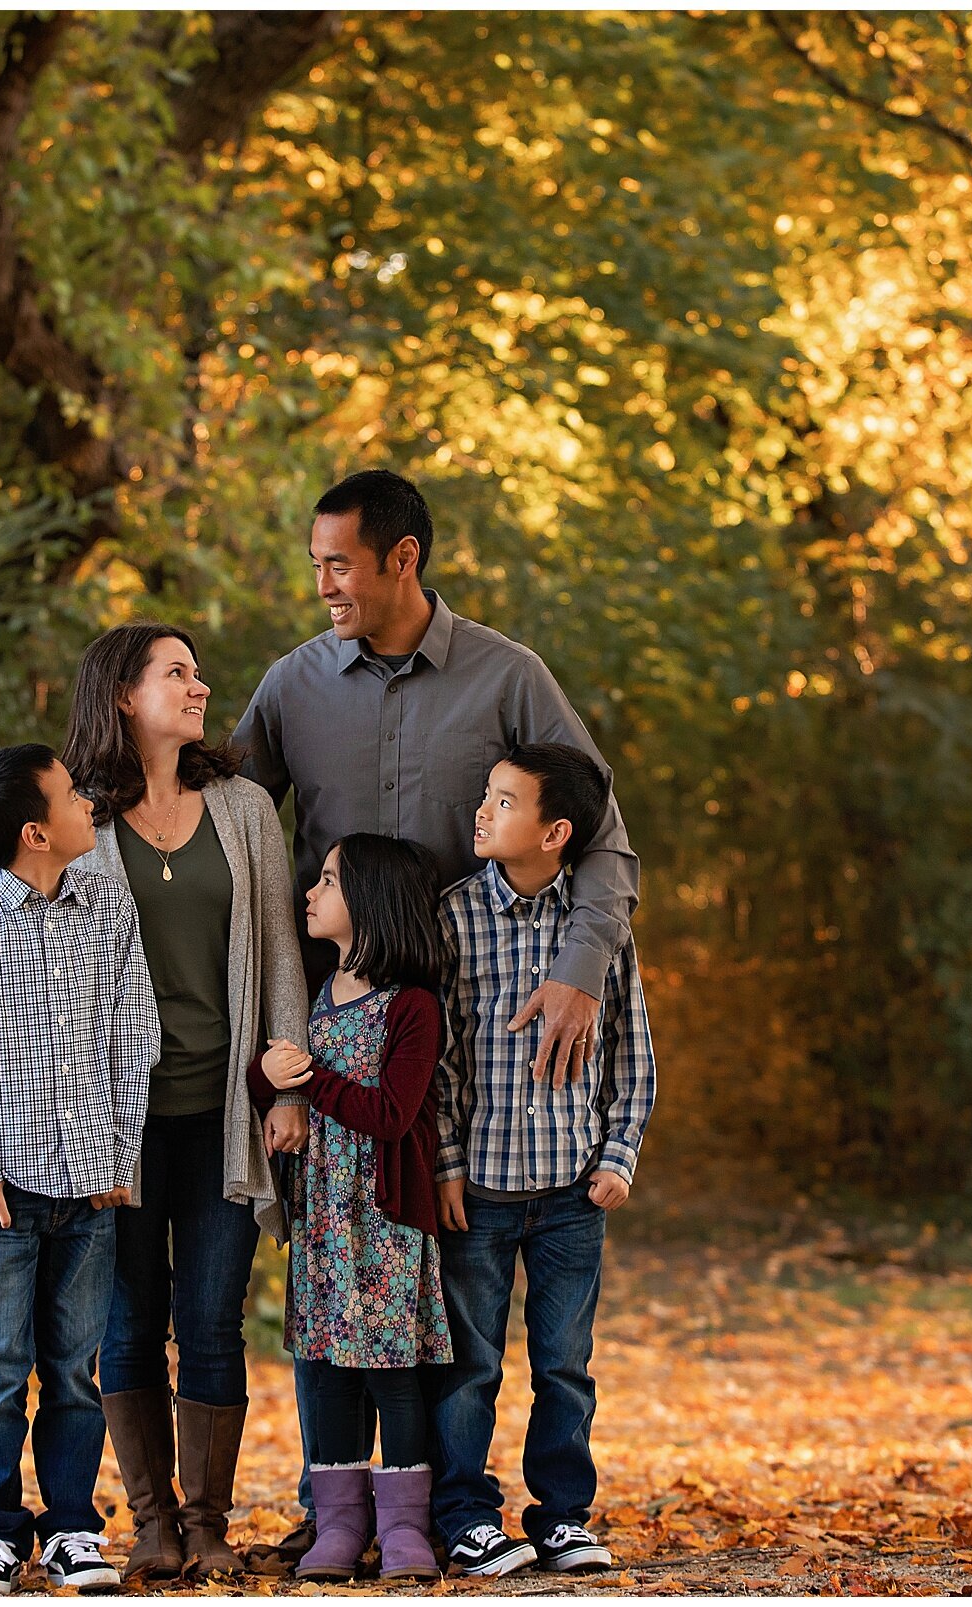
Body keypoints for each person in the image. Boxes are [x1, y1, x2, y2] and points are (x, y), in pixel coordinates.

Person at [226, 467, 642, 1573]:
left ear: (400, 558)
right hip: (334, 1037)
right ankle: (343, 1509)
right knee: (331, 1274)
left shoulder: (511, 678)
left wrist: (584, 966)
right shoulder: (290, 685)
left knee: (439, 1299)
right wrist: (30, 870)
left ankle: (446, 1508)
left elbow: (599, 830)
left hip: (463, 1044)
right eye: (314, 559)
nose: (322, 581)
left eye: (339, 561)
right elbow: (210, 812)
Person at [0, 625, 309, 1582]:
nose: (198, 683)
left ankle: (209, 1519)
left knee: (214, 1318)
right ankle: (147, 1518)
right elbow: (27, 894)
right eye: (174, 671)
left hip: (223, 1104)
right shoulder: (79, 820)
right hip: (111, 1128)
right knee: (127, 1325)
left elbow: (279, 953)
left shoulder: (246, 808)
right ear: (123, 695)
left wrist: (285, 1080)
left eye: (195, 670)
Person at [0, 744, 158, 1596]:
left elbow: (135, 1039)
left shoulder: (108, 911)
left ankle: (73, 1529)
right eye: (69, 794)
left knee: (72, 1373)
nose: (87, 800)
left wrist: (119, 1152)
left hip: (90, 1188)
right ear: (34, 832)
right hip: (0, 1199)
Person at [427, 744, 658, 1578]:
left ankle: (561, 1515)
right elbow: (441, 1061)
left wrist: (619, 1155)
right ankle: (464, 1512)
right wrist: (447, 1163)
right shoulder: (452, 919)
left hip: (570, 1191)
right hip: (479, 1192)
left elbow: (632, 1055)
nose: (482, 812)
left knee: (564, 1362)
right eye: (486, 795)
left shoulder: (598, 935)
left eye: (504, 801)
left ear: (556, 832)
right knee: (470, 1362)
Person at [247, 834, 452, 1582]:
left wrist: (308, 1079)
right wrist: (273, 1082)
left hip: (386, 1223)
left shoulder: (413, 1007)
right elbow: (274, 1080)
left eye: (328, 880)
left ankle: (404, 1529)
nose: (311, 891)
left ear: (369, 901)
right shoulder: (309, 991)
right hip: (324, 1219)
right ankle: (337, 1526)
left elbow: (395, 1113)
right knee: (330, 1370)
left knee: (393, 1373)